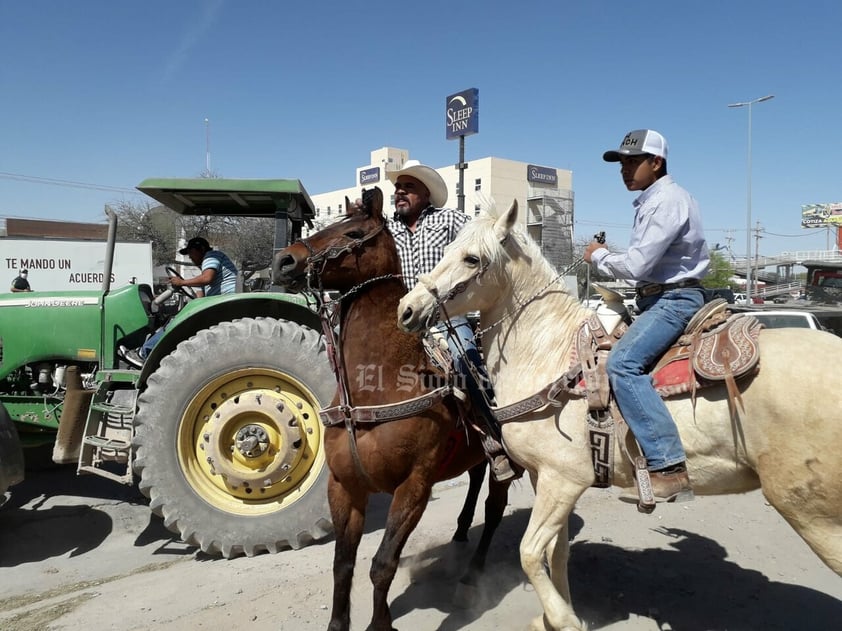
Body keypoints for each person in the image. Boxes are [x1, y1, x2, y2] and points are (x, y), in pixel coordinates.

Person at [584, 129, 709, 503]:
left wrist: (598, 256)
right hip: (657, 299)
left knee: (622, 364)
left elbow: (639, 264)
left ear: (656, 163)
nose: (625, 169)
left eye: (633, 162)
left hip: (674, 300)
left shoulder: (666, 200)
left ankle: (667, 466)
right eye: (622, 163)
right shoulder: (654, 199)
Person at [385, 160, 519, 482]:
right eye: (398, 188)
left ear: (426, 194)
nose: (400, 192)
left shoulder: (450, 221)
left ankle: (494, 439)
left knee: (468, 362)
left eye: (408, 187)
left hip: (447, 317)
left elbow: (482, 241)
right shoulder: (389, 231)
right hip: (404, 318)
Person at [121, 237, 237, 367]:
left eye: (191, 252)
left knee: (175, 322)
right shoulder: (208, 265)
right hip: (218, 303)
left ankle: (144, 353)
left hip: (223, 303)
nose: (190, 257)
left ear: (201, 249)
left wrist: (182, 282)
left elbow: (206, 278)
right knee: (180, 317)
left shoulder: (211, 256)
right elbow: (201, 294)